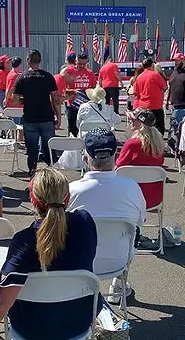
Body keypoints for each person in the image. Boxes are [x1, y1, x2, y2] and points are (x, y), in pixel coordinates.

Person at [0, 168, 100, 340]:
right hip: (78, 324)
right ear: (68, 198)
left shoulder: (24, 241)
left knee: (4, 283)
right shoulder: (85, 223)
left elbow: (1, 304)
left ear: (32, 200)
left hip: (31, 329)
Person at [68, 129, 146, 304]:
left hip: (77, 263)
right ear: (116, 156)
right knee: (132, 234)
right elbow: (140, 223)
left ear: (85, 158)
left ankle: (74, 295)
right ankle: (119, 284)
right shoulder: (132, 188)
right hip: (118, 261)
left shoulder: (71, 190)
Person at [12, 49, 62, 175]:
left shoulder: (21, 78)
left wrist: (27, 100)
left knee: (32, 149)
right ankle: (52, 174)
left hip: (30, 118)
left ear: (28, 61)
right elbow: (55, 99)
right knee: (49, 148)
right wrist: (59, 117)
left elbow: (15, 100)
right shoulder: (48, 76)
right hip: (46, 117)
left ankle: (32, 173)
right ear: (40, 61)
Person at [116, 108, 165, 210]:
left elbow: (119, 168)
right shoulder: (159, 144)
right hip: (153, 198)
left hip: (129, 198)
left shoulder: (132, 144)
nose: (130, 120)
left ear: (140, 123)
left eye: (132, 119)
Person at [63, 53, 97, 137]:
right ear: (75, 61)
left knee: (84, 125)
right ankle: (73, 144)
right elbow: (62, 87)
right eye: (79, 64)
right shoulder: (68, 71)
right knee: (72, 125)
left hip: (85, 104)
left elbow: (94, 88)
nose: (81, 66)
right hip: (71, 103)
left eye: (84, 64)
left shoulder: (90, 73)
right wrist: (73, 91)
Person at [133, 58, 167, 135]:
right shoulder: (155, 74)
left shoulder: (139, 77)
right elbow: (165, 87)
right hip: (156, 106)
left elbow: (136, 93)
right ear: (152, 65)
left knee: (145, 130)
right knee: (159, 130)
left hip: (143, 107)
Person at [166, 52, 185, 125]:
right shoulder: (175, 71)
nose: (175, 62)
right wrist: (167, 100)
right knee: (175, 126)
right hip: (174, 103)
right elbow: (170, 86)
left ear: (183, 60)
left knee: (183, 125)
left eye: (177, 60)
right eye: (175, 61)